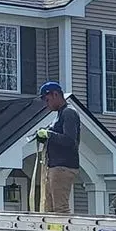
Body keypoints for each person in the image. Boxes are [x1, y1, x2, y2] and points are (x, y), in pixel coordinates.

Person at [35, 81, 80, 214]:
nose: (46, 104)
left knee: (60, 208)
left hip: (63, 167)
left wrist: (49, 134)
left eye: (47, 100)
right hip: (55, 166)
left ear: (55, 94)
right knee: (49, 207)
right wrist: (43, 137)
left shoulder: (69, 113)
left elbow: (69, 140)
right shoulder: (59, 115)